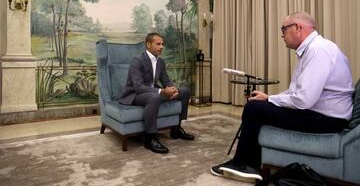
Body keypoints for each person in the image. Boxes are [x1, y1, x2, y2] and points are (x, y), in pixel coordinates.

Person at [211, 12, 354, 182]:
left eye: (284, 29)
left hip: (327, 119)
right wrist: (269, 97)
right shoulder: (313, 49)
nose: (282, 34)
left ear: (298, 28)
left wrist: (270, 100)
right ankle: (251, 161)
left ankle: (245, 164)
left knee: (254, 109)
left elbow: (303, 100)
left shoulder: (318, 51)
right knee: (259, 106)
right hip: (321, 113)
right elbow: (296, 91)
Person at [119, 32, 194, 154]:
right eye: (158, 44)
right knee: (155, 96)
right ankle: (150, 138)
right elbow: (138, 87)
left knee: (184, 91)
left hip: (153, 92)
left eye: (162, 44)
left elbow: (166, 80)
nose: (162, 47)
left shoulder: (161, 62)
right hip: (135, 95)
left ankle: (176, 128)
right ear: (148, 44)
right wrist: (162, 91)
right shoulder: (137, 61)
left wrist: (172, 90)